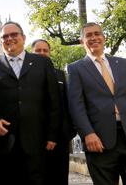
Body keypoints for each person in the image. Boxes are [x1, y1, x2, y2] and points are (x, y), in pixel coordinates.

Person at [67, 22, 126, 185]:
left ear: (104, 38)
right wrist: (88, 134)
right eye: (88, 35)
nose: (93, 38)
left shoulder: (123, 63)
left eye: (97, 34)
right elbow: (76, 106)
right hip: (100, 141)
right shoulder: (75, 69)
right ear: (81, 41)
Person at [0, 23, 61, 185]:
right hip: (2, 142)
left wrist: (52, 135)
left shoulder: (42, 63)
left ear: (23, 38)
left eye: (14, 34)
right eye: (5, 37)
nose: (9, 39)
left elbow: (54, 101)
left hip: (37, 141)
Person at [32, 39, 76, 185]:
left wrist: (68, 131)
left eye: (45, 50)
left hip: (59, 139)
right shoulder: (25, 75)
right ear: (31, 53)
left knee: (59, 178)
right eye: (38, 50)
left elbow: (67, 103)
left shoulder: (60, 74)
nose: (42, 53)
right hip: (34, 138)